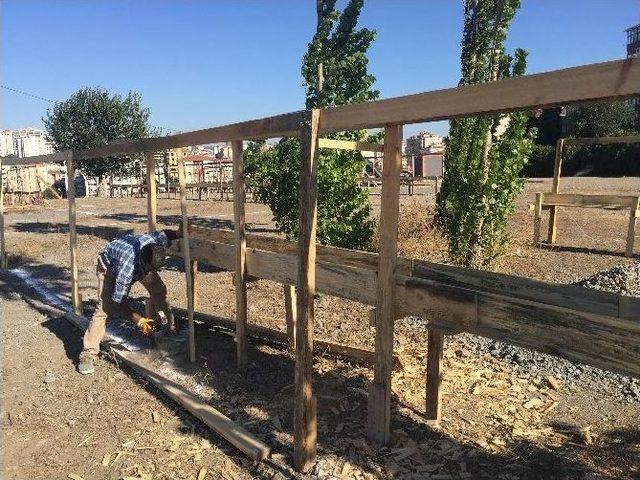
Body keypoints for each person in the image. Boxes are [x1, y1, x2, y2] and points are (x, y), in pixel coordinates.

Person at [78, 227, 182, 374]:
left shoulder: (153, 244)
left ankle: (160, 324)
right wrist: (139, 321)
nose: (150, 272)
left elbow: (165, 234)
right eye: (149, 268)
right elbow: (118, 301)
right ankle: (88, 352)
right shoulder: (126, 271)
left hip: (136, 262)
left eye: (153, 269)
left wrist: (178, 233)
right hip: (109, 268)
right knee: (105, 308)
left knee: (159, 290)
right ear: (143, 262)